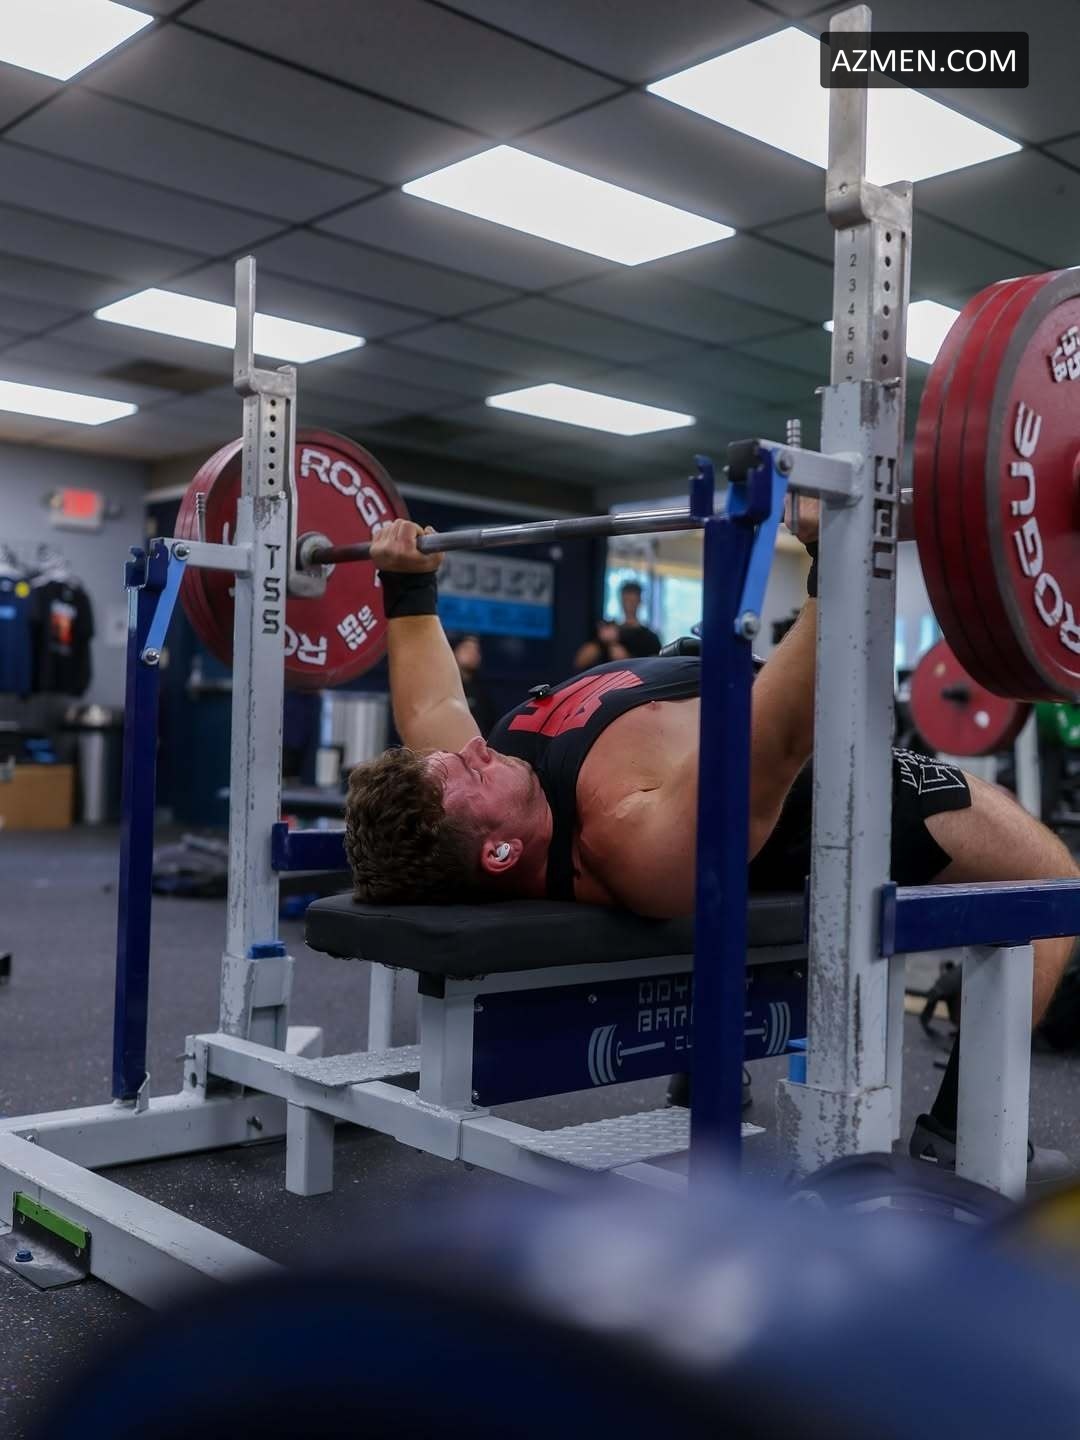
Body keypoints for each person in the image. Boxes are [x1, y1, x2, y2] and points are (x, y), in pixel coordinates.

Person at [345, 518, 1079, 1180]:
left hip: (699, 672)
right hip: (835, 786)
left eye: (457, 757)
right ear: (501, 855)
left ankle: (705, 1075)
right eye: (467, 770)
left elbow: (431, 706)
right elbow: (779, 737)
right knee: (1049, 880)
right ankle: (966, 1138)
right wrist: (837, 552)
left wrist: (407, 582)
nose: (474, 748)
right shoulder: (630, 837)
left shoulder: (488, 792)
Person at [573, 580, 661, 670]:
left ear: (639, 601)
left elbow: (653, 670)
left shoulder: (650, 638)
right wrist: (601, 639)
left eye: (632, 601)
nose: (628, 605)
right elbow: (580, 662)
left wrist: (614, 644)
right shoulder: (609, 631)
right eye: (626, 600)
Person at [451, 633, 497, 738]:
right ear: (454, 652)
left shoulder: (483, 694)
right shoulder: (445, 688)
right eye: (467, 648)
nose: (472, 653)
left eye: (476, 650)